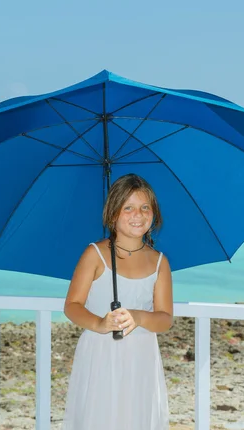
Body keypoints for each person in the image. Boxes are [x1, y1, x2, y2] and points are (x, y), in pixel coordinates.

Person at [62, 173, 173, 430]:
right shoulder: (95, 254)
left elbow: (165, 318)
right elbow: (72, 306)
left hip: (141, 358)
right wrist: (100, 323)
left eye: (145, 207)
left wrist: (140, 316)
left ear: (154, 214)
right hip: (101, 355)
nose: (138, 214)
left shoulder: (159, 262)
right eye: (129, 208)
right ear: (113, 215)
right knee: (100, 418)